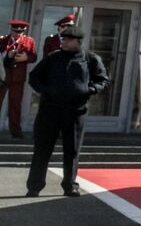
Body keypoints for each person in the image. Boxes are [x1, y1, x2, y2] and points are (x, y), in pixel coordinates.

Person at [25, 26, 108, 196]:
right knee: (42, 149)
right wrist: (45, 90)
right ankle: (34, 187)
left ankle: (70, 186)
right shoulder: (53, 58)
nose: (64, 42)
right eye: (63, 39)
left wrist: (89, 90)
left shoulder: (91, 59)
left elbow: (102, 80)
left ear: (78, 42)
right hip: (49, 111)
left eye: (68, 39)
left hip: (75, 112)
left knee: (72, 151)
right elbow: (34, 77)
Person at [2, 20, 37, 138]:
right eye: (15, 31)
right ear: (11, 30)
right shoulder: (3, 40)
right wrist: (7, 55)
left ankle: (15, 131)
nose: (17, 34)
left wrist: (26, 57)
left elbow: (34, 56)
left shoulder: (29, 41)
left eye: (20, 31)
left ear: (24, 31)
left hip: (18, 77)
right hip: (3, 77)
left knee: (15, 104)